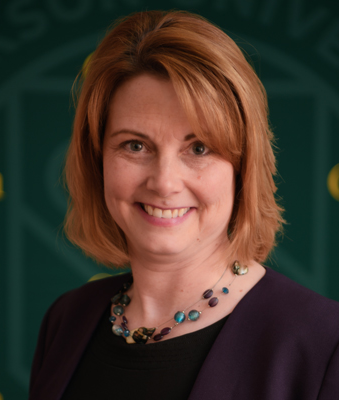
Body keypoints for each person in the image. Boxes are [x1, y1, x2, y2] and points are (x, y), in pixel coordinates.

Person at [29, 10, 339, 400]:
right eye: (135, 145)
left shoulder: (325, 342)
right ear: (98, 160)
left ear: (242, 168)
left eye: (199, 148)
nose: (164, 182)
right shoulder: (65, 322)